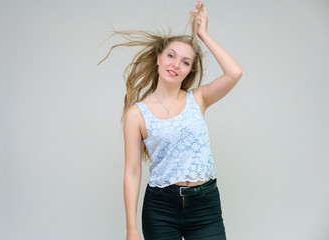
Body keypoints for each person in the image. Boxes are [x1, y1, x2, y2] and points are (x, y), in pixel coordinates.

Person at [99, 1, 242, 239]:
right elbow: (132, 171)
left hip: (205, 207)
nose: (176, 64)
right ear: (158, 58)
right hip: (161, 209)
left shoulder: (199, 98)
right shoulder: (136, 114)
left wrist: (203, 34)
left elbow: (234, 72)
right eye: (171, 56)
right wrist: (131, 228)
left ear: (189, 71)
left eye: (185, 62)